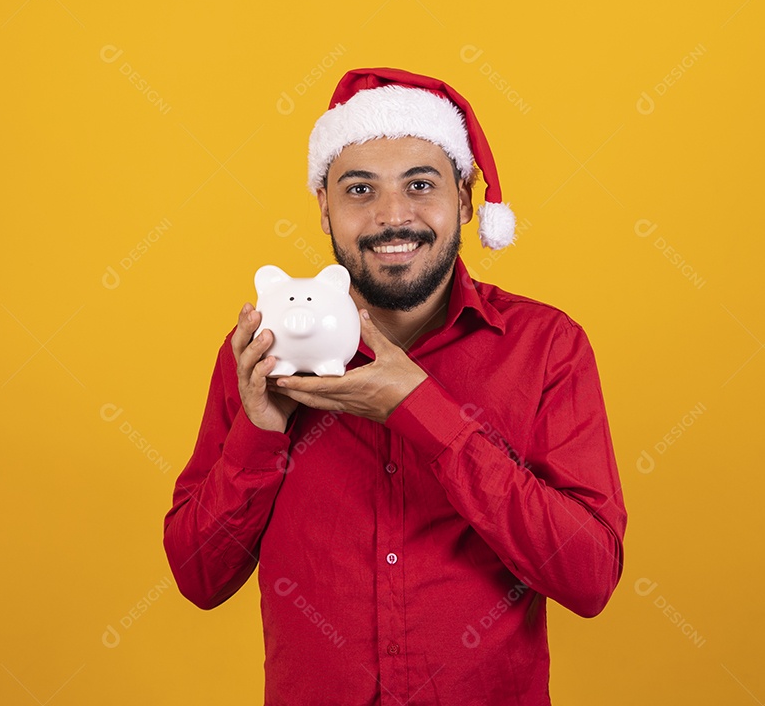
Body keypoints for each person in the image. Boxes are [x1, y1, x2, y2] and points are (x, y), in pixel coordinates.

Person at [163, 67, 627, 705]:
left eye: (420, 184)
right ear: (323, 204)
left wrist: (423, 411)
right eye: (359, 189)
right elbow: (198, 577)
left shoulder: (545, 346)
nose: (391, 216)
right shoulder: (263, 350)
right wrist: (260, 432)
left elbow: (589, 577)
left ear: (465, 199)